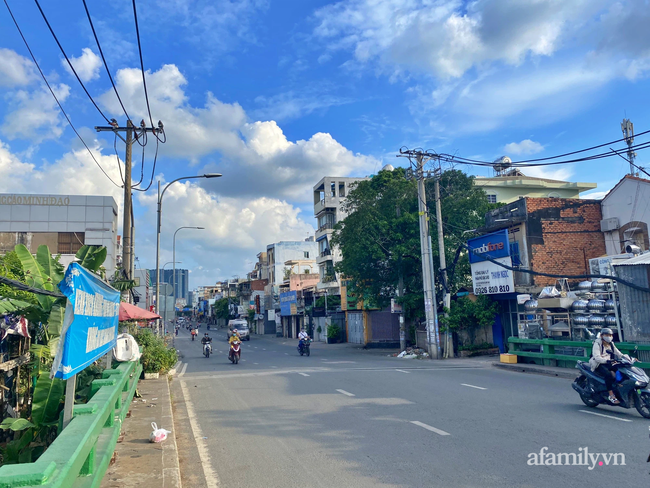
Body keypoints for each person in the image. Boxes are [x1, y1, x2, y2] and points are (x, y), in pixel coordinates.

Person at [589, 328, 634, 404]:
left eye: (610, 335)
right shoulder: (597, 343)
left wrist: (629, 358)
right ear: (602, 335)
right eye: (606, 335)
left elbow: (619, 354)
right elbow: (597, 357)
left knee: (621, 372)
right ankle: (611, 394)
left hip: (609, 362)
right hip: (598, 363)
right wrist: (607, 360)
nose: (609, 336)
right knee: (609, 375)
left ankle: (619, 389)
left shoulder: (611, 344)